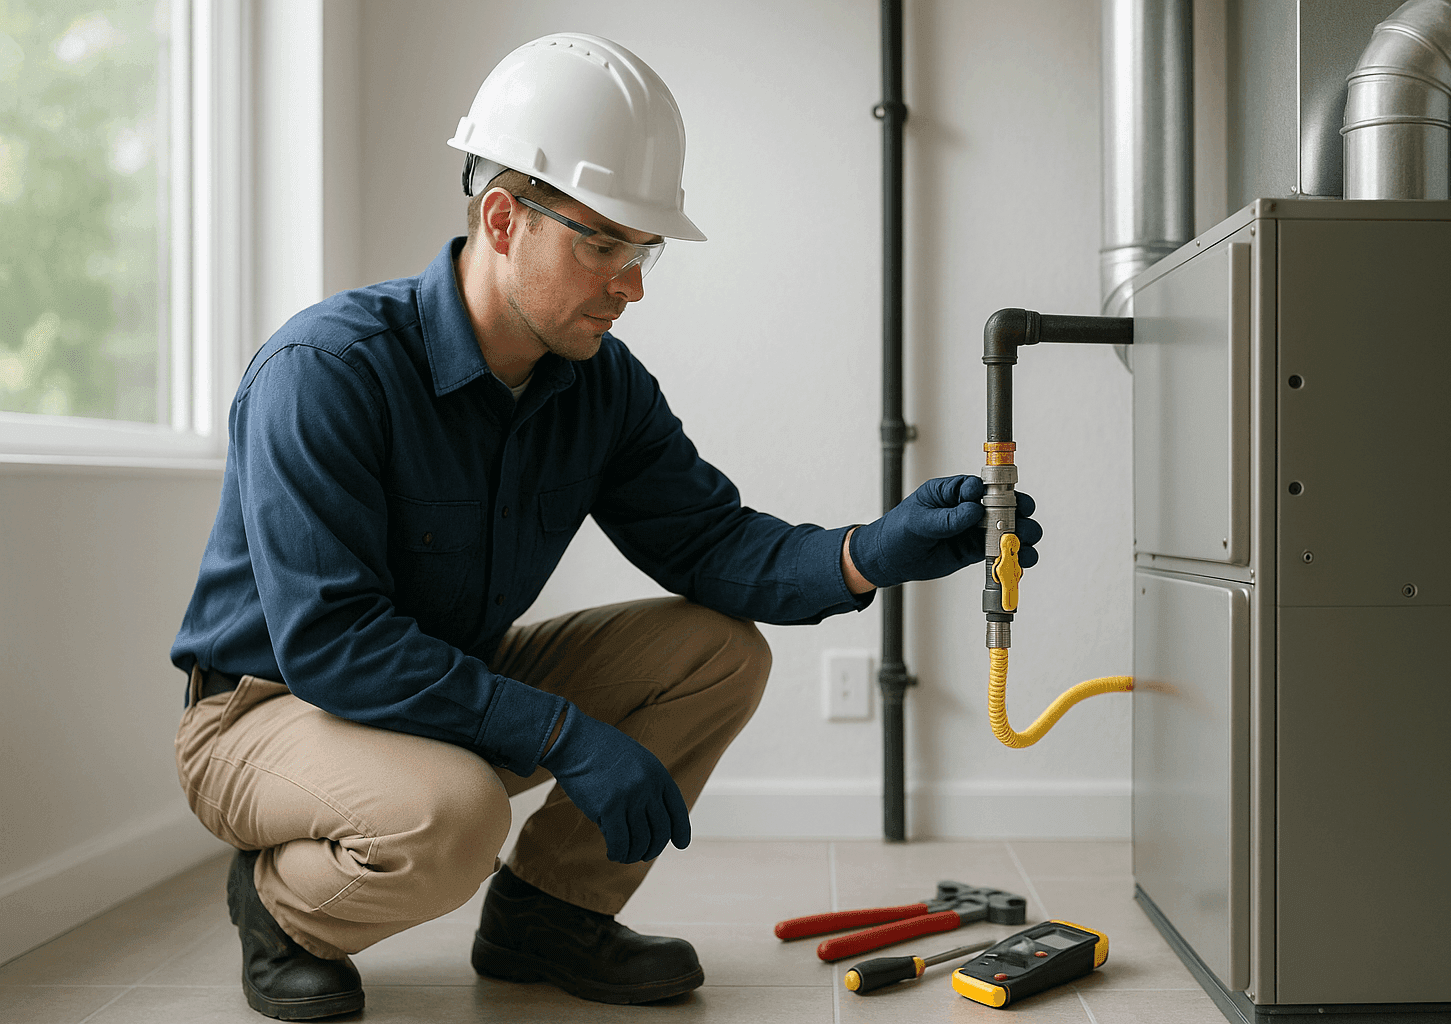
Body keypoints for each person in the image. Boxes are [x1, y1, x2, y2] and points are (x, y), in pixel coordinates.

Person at [170, 32, 1040, 1020]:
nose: (632, 283)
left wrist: (875, 550)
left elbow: (713, 545)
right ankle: (284, 909)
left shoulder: (597, 387)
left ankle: (546, 916)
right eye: (603, 243)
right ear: (504, 218)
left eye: (643, 249)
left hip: (433, 693)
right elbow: (330, 641)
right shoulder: (329, 371)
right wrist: (561, 732)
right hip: (263, 709)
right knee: (456, 814)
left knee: (715, 649)